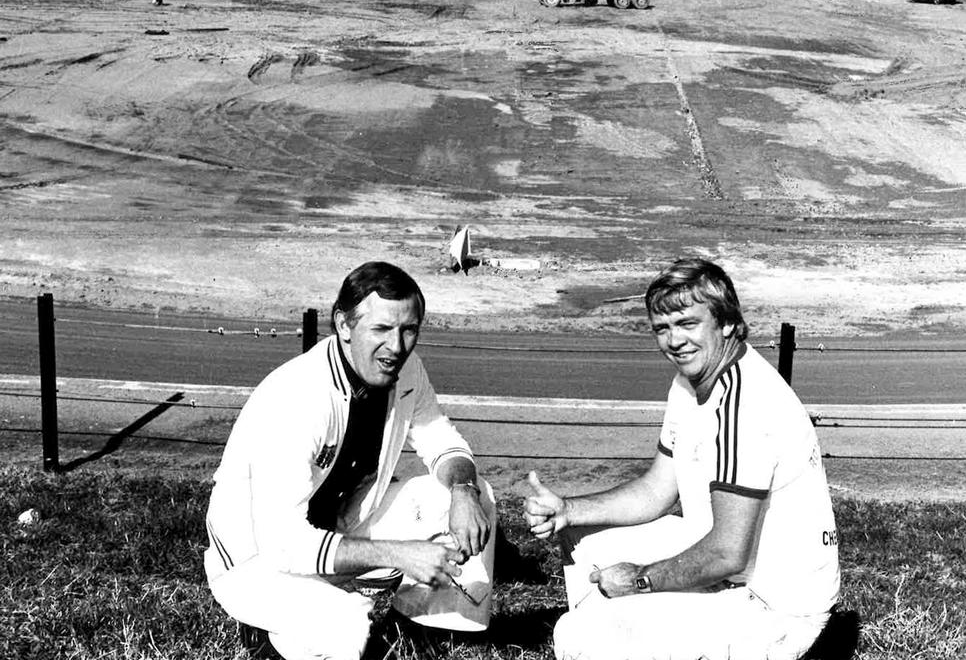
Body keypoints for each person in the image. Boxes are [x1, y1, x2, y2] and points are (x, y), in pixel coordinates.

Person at [523, 257, 840, 660]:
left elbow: (727, 553)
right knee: (582, 534)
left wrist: (637, 582)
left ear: (726, 323)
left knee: (578, 634)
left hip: (774, 608)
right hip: (734, 569)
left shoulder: (745, 405)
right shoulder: (691, 382)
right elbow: (656, 490)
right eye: (662, 328)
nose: (674, 341)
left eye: (687, 323)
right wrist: (567, 509)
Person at [205, 261, 496, 660]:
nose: (396, 346)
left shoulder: (406, 368)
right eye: (380, 329)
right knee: (347, 625)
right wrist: (398, 553)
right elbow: (284, 544)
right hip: (259, 560)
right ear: (343, 325)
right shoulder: (298, 396)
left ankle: (432, 631)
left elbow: (441, 438)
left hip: (341, 525)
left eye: (408, 330)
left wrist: (464, 490)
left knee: (472, 496)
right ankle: (269, 630)